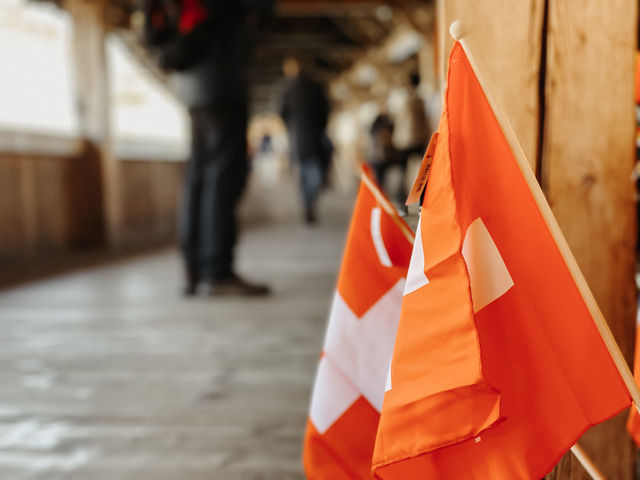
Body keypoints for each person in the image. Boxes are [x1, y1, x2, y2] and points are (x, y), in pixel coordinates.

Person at [143, 0, 272, 296]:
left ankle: (194, 267)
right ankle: (217, 271)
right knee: (224, 177)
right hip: (221, 79)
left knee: (198, 175)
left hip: (191, 84)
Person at [279, 56, 331, 224]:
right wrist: (321, 127)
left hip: (297, 138)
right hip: (315, 136)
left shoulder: (287, 89)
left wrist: (290, 128)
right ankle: (310, 203)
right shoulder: (316, 87)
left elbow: (281, 113)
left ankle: (307, 203)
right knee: (314, 173)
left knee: (302, 173)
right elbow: (325, 110)